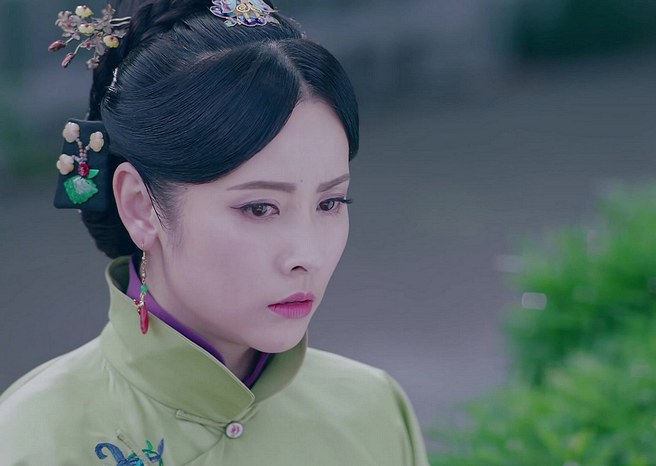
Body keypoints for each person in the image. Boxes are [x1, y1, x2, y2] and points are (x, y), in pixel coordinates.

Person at [0, 1, 429, 464]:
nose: (308, 254)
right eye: (260, 208)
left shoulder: (373, 411)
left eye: (330, 203)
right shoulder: (34, 439)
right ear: (140, 207)